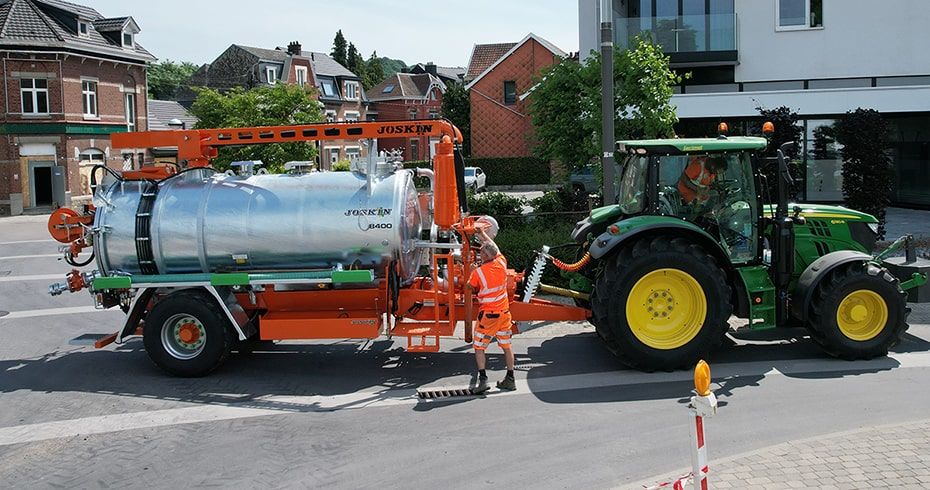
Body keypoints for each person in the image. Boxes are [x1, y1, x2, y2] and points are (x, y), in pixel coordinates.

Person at [466, 229, 516, 393]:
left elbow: (469, 287)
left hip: (488, 316)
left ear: (485, 256)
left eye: (481, 252)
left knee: (479, 347)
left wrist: (471, 271)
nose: (479, 254)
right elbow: (494, 247)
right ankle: (510, 379)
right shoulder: (501, 262)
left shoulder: (478, 272)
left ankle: (483, 381)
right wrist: (482, 234)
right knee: (506, 346)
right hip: (504, 314)